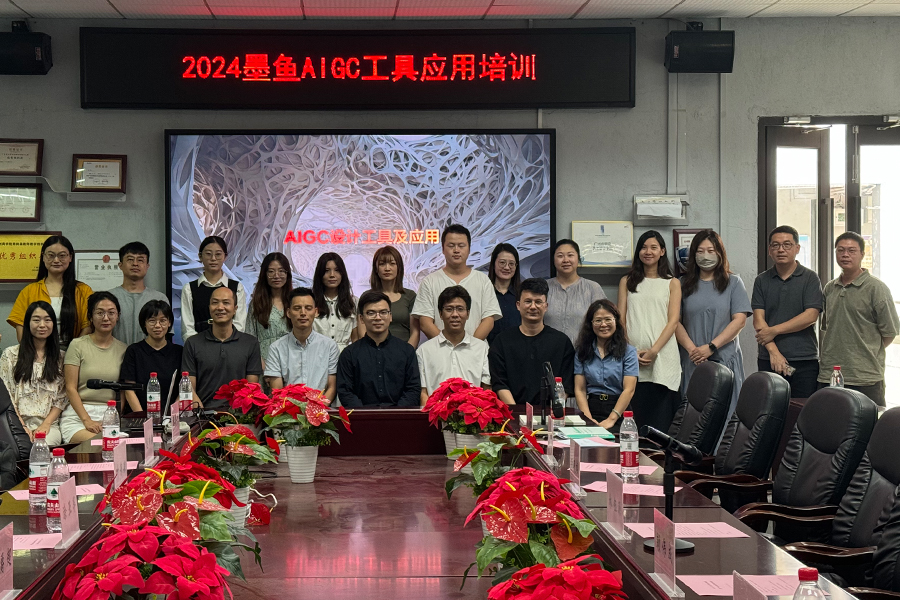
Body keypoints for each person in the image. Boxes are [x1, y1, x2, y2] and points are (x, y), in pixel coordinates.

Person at [675, 230, 751, 418]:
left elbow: (739, 321)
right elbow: (674, 322)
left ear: (720, 253)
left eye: (711, 250)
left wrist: (711, 347)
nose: (705, 256)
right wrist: (694, 351)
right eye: (700, 251)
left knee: (726, 416)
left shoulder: (733, 282)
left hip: (725, 358)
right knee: (693, 417)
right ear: (693, 255)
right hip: (693, 359)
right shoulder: (682, 284)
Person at [817, 232, 899, 406]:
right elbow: (829, 329)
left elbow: (889, 333)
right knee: (830, 421)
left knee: (868, 422)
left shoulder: (876, 288)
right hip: (830, 374)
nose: (845, 255)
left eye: (851, 250)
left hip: (865, 377)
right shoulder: (830, 288)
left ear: (862, 254)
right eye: (841, 250)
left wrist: (863, 350)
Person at [618, 230, 681, 432]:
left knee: (661, 422)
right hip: (633, 357)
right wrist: (630, 351)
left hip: (663, 357)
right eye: (644, 247)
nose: (648, 252)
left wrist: (654, 351)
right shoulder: (627, 281)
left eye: (654, 247)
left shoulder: (672, 283)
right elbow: (621, 320)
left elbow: (673, 322)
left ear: (662, 251)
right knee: (635, 419)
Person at [751, 225, 823, 399]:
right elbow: (758, 320)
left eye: (787, 245)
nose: (781, 249)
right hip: (769, 358)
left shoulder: (810, 278)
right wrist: (774, 353)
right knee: (769, 409)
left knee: (802, 410)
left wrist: (774, 330)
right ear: (769, 250)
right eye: (775, 245)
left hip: (804, 359)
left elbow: (810, 316)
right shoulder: (762, 280)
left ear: (797, 248)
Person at [489, 278, 575, 405]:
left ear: (546, 306)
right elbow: (500, 384)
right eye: (528, 301)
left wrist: (553, 410)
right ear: (518, 305)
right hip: (512, 412)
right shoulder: (502, 341)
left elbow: (566, 385)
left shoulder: (562, 342)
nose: (533, 307)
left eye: (538, 302)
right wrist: (516, 412)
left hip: (551, 412)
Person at [412, 224, 502, 341]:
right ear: (443, 249)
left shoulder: (483, 280)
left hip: (477, 350)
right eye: (451, 246)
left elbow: (488, 320)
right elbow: (425, 322)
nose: (456, 250)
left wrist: (471, 346)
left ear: (469, 249)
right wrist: (445, 346)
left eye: (461, 246)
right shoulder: (429, 281)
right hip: (439, 350)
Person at [61, 292, 129, 443]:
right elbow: (70, 388)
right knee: (102, 444)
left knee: (120, 445)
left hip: (110, 415)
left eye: (111, 313)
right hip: (78, 416)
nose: (106, 318)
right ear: (90, 317)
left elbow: (124, 391)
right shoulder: (77, 345)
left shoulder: (124, 349)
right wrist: (87, 420)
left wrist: (114, 417)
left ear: (118, 316)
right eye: (100, 313)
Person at [182, 286, 263, 411]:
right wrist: (201, 415)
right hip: (203, 414)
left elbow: (251, 388)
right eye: (215, 303)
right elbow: (189, 389)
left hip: (238, 416)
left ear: (235, 309)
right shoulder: (193, 343)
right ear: (209, 308)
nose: (220, 307)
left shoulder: (250, 343)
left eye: (226, 303)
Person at [336, 291, 420, 408]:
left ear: (390, 316)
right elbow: (345, 392)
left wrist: (396, 414)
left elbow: (413, 389)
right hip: (361, 417)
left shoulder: (407, 351)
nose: (378, 318)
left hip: (399, 416)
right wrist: (364, 415)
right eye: (371, 313)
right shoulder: (349, 354)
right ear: (361, 318)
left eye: (383, 312)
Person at [0, 302, 67, 445]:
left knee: (41, 446)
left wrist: (46, 424)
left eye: (47, 320)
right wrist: (22, 426)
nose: (42, 325)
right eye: (36, 320)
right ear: (27, 323)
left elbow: (62, 397)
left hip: (48, 425)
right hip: (13, 423)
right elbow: (7, 394)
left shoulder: (61, 357)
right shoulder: (10, 354)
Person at [8, 235, 92, 347]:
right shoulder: (29, 291)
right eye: (51, 255)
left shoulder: (83, 290)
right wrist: (37, 352)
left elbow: (88, 326)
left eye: (62, 256)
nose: (56, 260)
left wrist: (74, 351)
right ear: (43, 257)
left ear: (70, 257)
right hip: (37, 351)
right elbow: (21, 327)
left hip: (73, 351)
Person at [416, 286, 491, 404]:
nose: (455, 314)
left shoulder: (482, 349)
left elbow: (487, 390)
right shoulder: (424, 350)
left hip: (471, 413)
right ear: (440, 314)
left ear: (468, 314)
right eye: (449, 309)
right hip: (436, 413)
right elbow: (423, 393)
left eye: (460, 309)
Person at [573, 299, 638, 434]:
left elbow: (629, 390)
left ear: (616, 321)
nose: (603, 324)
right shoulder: (582, 352)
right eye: (598, 320)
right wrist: (588, 419)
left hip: (619, 410)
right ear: (591, 324)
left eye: (608, 319)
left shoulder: (629, 352)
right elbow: (580, 389)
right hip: (591, 408)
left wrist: (611, 419)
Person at [265, 287, 339, 402]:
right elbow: (277, 391)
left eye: (308, 308)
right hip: (287, 410)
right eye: (297, 308)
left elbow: (332, 387)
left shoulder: (330, 346)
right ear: (288, 313)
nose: (303, 313)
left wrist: (315, 410)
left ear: (316, 312)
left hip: (321, 410)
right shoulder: (276, 348)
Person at [119, 300, 184, 412]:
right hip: (139, 415)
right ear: (144, 324)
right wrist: (142, 417)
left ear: (169, 323)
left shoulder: (179, 351)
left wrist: (171, 415)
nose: (157, 325)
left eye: (163, 320)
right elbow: (129, 390)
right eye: (152, 321)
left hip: (171, 416)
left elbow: (184, 389)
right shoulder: (134, 351)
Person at [180, 236, 247, 340]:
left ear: (225, 257)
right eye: (208, 254)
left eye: (218, 254)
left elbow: (239, 325)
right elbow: (187, 329)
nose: (213, 259)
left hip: (230, 345)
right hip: (199, 345)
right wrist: (197, 346)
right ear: (200, 256)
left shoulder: (237, 287)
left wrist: (227, 344)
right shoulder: (189, 289)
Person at [545, 239, 606, 344]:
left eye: (570, 255)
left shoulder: (593, 288)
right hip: (549, 350)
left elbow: (603, 322)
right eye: (560, 256)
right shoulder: (544, 287)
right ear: (553, 260)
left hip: (583, 351)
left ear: (578, 258)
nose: (566, 260)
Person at [109, 241, 169, 346]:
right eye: (130, 259)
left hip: (150, 355)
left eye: (140, 260)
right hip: (115, 354)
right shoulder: (109, 298)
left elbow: (166, 336)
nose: (135, 264)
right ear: (120, 265)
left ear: (147, 266)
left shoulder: (159, 298)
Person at [361, 246, 419, 346]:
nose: (387, 268)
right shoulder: (367, 296)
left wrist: (407, 353)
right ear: (376, 268)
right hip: (372, 352)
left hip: (404, 351)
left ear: (399, 267)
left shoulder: (410, 296)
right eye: (382, 264)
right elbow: (362, 332)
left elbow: (415, 333)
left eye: (392, 263)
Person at [247, 252, 292, 372]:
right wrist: (261, 363)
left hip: (291, 361)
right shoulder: (256, 303)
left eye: (281, 271)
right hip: (264, 362)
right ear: (264, 274)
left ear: (287, 274)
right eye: (271, 271)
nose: (276, 276)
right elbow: (250, 336)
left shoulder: (294, 301)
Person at [312, 252, 359, 353]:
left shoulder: (353, 302)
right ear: (320, 274)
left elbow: (355, 338)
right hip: (317, 354)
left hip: (344, 356)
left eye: (337, 270)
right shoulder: (311, 301)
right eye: (326, 271)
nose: (332, 275)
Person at [487, 243, 522, 345]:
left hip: (517, 349)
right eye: (502, 263)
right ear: (493, 264)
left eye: (511, 264)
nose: (507, 267)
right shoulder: (484, 292)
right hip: (488, 350)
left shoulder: (522, 294)